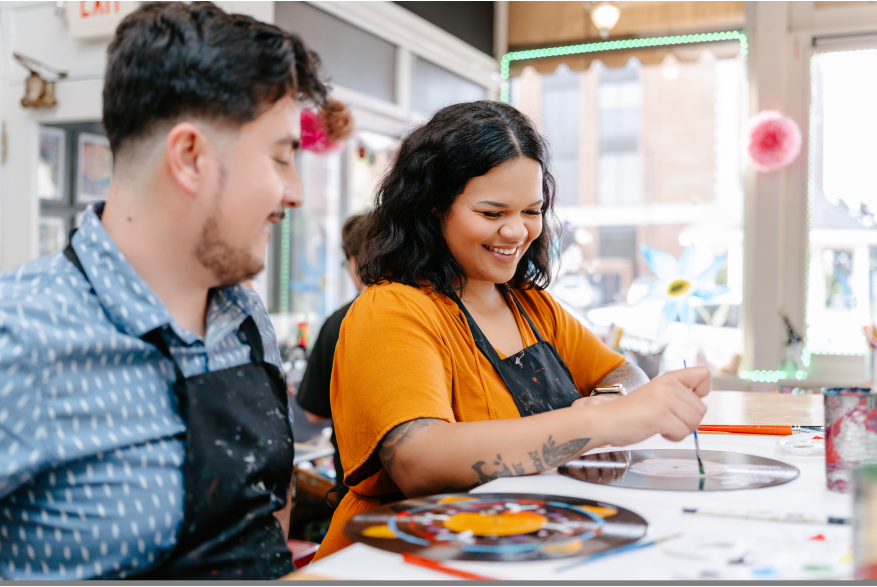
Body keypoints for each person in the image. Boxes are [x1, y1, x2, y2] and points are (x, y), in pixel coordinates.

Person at [0, 1, 335, 579]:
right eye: (281, 158)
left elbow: (265, 522)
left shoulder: (245, 317)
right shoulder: (20, 337)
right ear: (190, 157)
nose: (296, 193)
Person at [312, 101, 712, 560]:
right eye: (491, 212)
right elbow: (419, 461)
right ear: (432, 209)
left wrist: (612, 402)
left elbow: (621, 373)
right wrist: (598, 423)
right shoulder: (391, 310)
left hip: (516, 544)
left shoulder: (531, 307)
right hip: (404, 556)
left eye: (532, 210)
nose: (517, 231)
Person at [295, 214, 369, 502]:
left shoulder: (339, 323)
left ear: (354, 261)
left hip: (358, 490)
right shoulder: (430, 311)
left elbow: (314, 413)